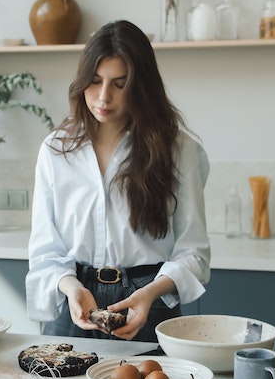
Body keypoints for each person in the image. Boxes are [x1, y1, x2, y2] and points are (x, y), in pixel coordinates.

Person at [26, 20, 210, 342]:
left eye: (119, 84)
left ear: (141, 86)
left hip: (149, 305)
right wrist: (70, 288)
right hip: (75, 304)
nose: (103, 97)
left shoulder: (180, 150)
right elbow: (45, 251)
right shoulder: (56, 150)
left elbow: (193, 254)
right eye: (94, 82)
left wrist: (151, 293)